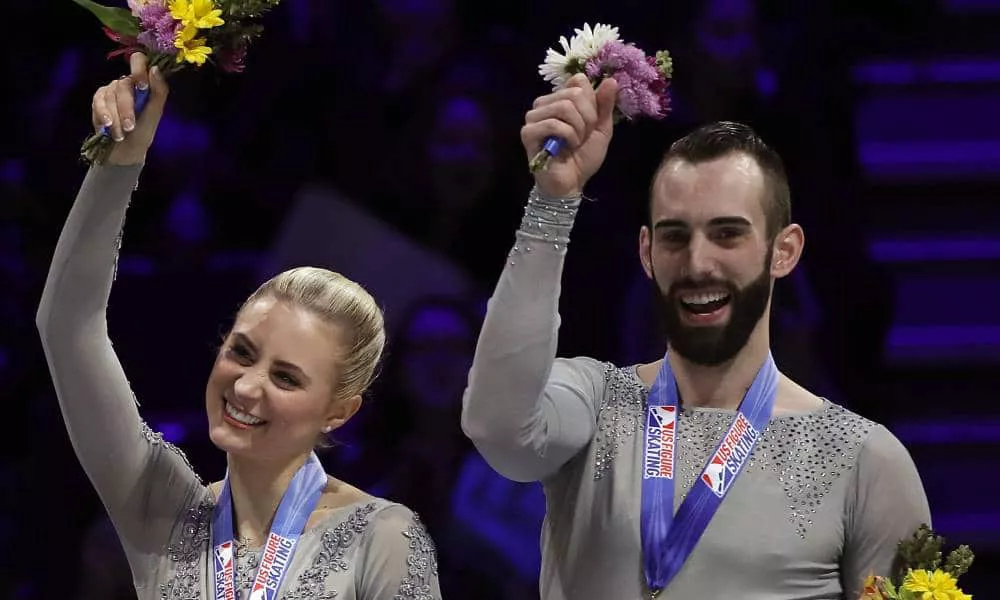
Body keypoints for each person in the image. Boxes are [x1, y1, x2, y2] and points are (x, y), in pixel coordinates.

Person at [461, 72, 930, 599]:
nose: (698, 262)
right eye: (675, 236)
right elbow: (497, 428)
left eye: (727, 234)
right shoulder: (593, 407)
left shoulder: (865, 459)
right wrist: (552, 202)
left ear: (784, 250)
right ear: (646, 252)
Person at [36, 53, 441, 600]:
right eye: (242, 353)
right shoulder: (162, 512)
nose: (247, 387)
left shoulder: (384, 538)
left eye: (287, 378)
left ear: (340, 410)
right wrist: (118, 164)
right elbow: (67, 324)